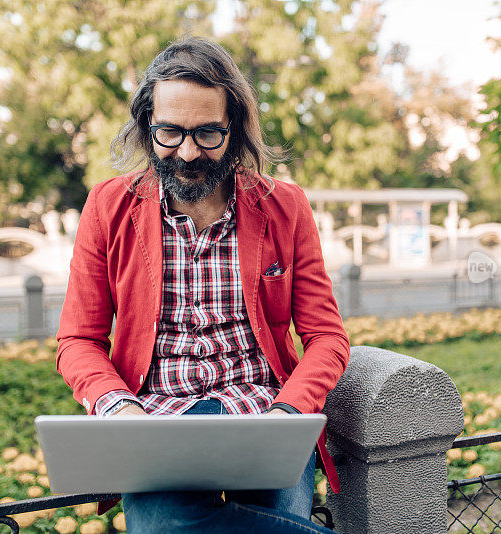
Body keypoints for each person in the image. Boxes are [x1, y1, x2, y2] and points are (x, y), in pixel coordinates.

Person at [56, 36, 350, 534]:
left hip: (263, 411)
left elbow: (327, 338)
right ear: (146, 126)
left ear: (234, 129)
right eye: (169, 132)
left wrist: (289, 413)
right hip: (155, 419)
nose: (188, 152)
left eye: (208, 134)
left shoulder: (286, 206)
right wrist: (119, 408)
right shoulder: (107, 206)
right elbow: (77, 341)